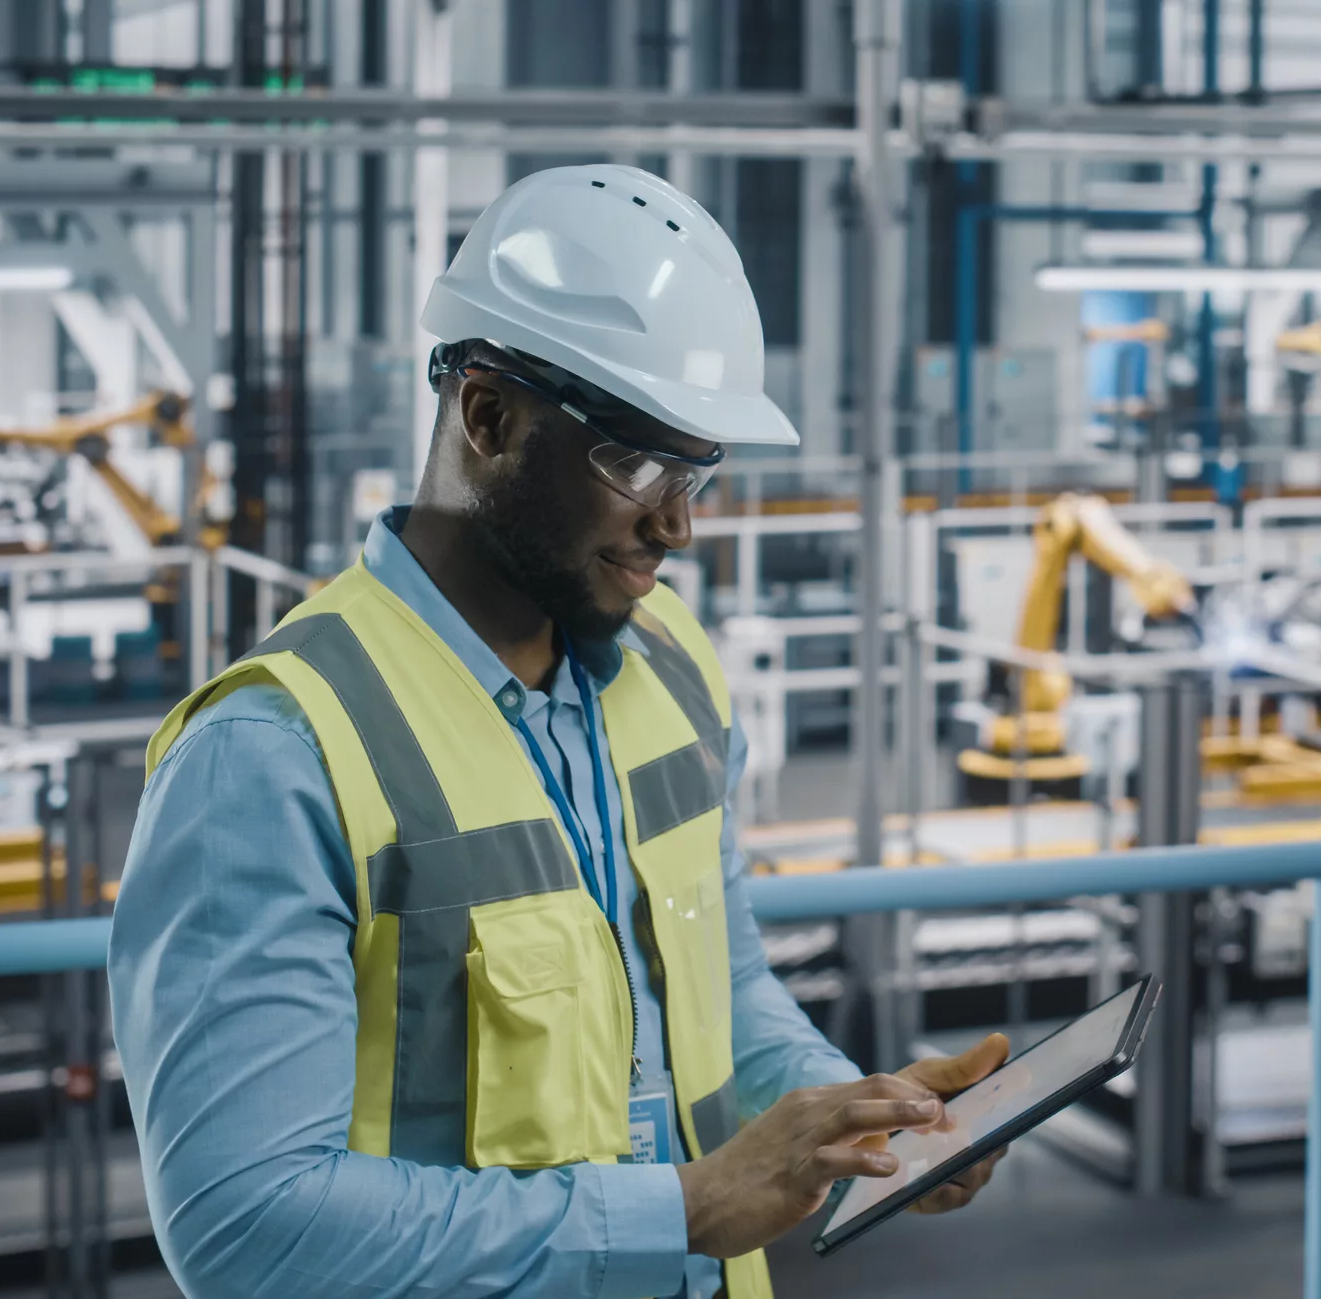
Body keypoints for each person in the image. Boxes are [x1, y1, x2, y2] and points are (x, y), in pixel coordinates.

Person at [110, 164, 1006, 1299]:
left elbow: (716, 996)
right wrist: (681, 1210)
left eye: (698, 470)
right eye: (637, 462)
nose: (677, 524)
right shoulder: (272, 754)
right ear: (487, 415)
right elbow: (247, 1228)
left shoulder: (671, 665)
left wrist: (854, 1120)